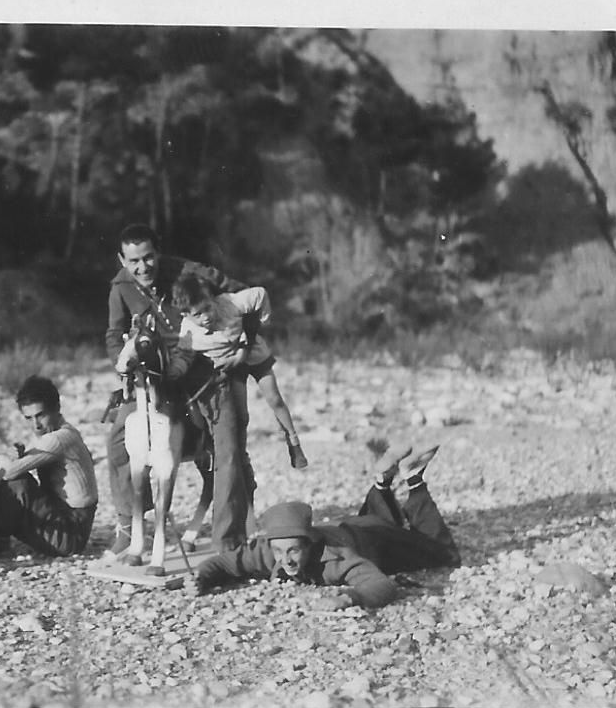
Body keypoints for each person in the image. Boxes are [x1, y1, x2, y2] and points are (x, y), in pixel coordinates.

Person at [104, 223, 255, 557]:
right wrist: (123, 363)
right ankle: (129, 525)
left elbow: (245, 295)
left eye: (148, 257)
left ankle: (227, 542)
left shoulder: (191, 273)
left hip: (205, 372)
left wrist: (242, 345)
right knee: (117, 443)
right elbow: (114, 335)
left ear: (159, 252)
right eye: (133, 261)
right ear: (122, 260)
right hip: (156, 378)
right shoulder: (120, 288)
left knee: (227, 450)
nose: (143, 267)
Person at [190, 445, 460, 608]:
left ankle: (413, 480)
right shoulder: (267, 549)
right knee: (381, 519)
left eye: (294, 551)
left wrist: (351, 597)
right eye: (280, 552)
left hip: (375, 538)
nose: (286, 560)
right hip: (352, 526)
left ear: (309, 543)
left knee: (443, 554)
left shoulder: (336, 560)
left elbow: (382, 585)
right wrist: (201, 578)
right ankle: (381, 481)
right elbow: (224, 563)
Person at [171, 272, 308, 470]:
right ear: (185, 315)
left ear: (212, 298)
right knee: (241, 416)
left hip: (252, 352)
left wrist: (261, 323)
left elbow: (260, 294)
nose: (206, 317)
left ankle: (293, 441)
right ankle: (242, 459)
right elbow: (182, 356)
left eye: (208, 308)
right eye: (198, 314)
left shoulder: (229, 303)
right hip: (231, 367)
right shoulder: (188, 332)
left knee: (274, 398)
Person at [0, 375, 98, 557]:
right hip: (60, 517)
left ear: (56, 409)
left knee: (13, 481)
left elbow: (8, 471)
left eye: (41, 415)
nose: (36, 425)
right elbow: (15, 462)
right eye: (29, 418)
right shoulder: (53, 433)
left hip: (71, 533)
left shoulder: (60, 438)